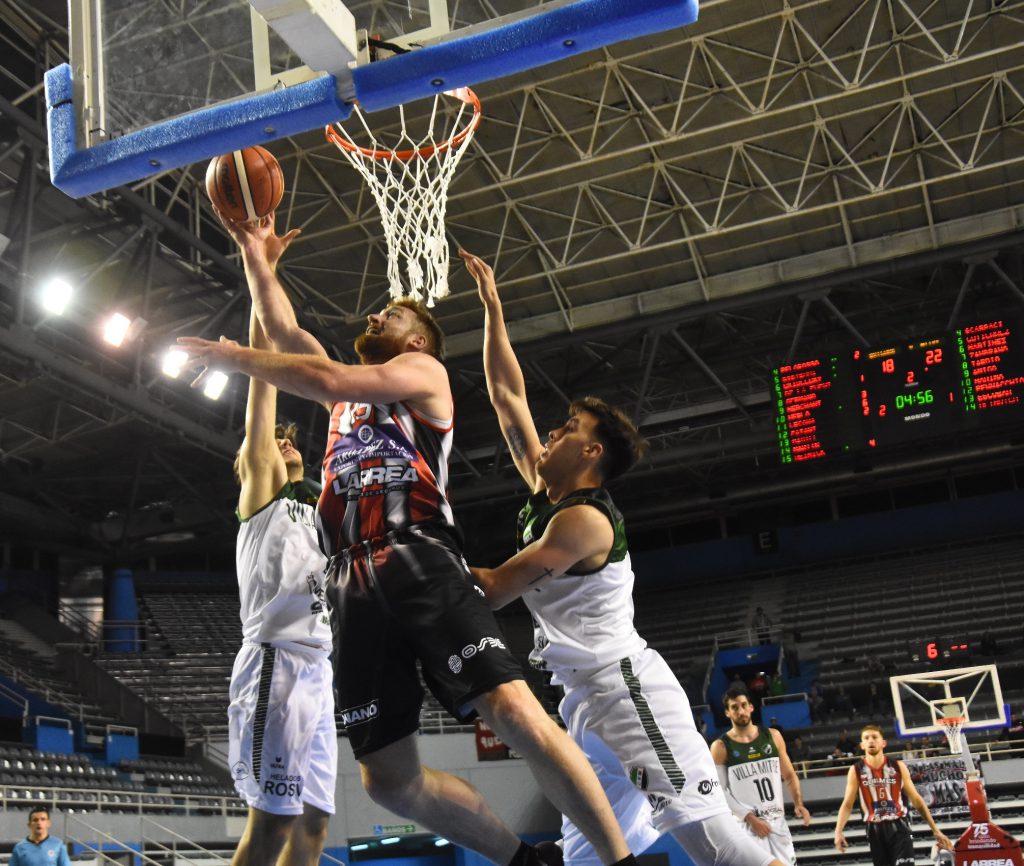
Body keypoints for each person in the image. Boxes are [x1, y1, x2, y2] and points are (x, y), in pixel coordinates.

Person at [180, 213, 637, 866]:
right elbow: (284, 333)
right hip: (349, 581)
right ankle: (522, 861)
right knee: (387, 780)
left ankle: (620, 860)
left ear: (418, 338)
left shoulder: (425, 376)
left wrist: (230, 356)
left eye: (389, 314)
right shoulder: (349, 403)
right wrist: (257, 256)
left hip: (414, 551)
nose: (375, 317)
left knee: (509, 710)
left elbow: (326, 378)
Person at [462, 249, 785, 866]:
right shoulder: (546, 491)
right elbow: (507, 395)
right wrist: (493, 308)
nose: (550, 433)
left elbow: (496, 588)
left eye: (565, 427)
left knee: (714, 844)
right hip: (583, 702)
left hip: (627, 691)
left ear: (591, 451)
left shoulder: (583, 521)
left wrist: (413, 553)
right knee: (588, 855)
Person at [227, 308, 335, 866]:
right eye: (272, 443)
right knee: (273, 822)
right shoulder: (260, 501)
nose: (282, 444)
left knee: (313, 822)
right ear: (246, 464)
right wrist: (260, 283)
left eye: (289, 442)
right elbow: (261, 391)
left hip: (319, 665)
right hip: (277, 661)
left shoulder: (315, 511)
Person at [712, 685, 811, 866]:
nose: (740, 711)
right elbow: (719, 792)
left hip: (777, 822)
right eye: (734, 707)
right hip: (747, 827)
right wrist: (750, 818)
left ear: (751, 707)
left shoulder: (772, 736)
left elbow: (789, 775)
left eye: (743, 705)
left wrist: (799, 803)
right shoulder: (721, 746)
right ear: (727, 712)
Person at [834, 725, 953, 866]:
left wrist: (936, 830)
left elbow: (916, 799)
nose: (871, 740)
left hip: (899, 825)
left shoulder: (897, 767)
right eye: (866, 738)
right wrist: (838, 831)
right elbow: (847, 804)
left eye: (874, 737)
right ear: (862, 745)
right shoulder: (856, 770)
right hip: (874, 829)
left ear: (883, 743)